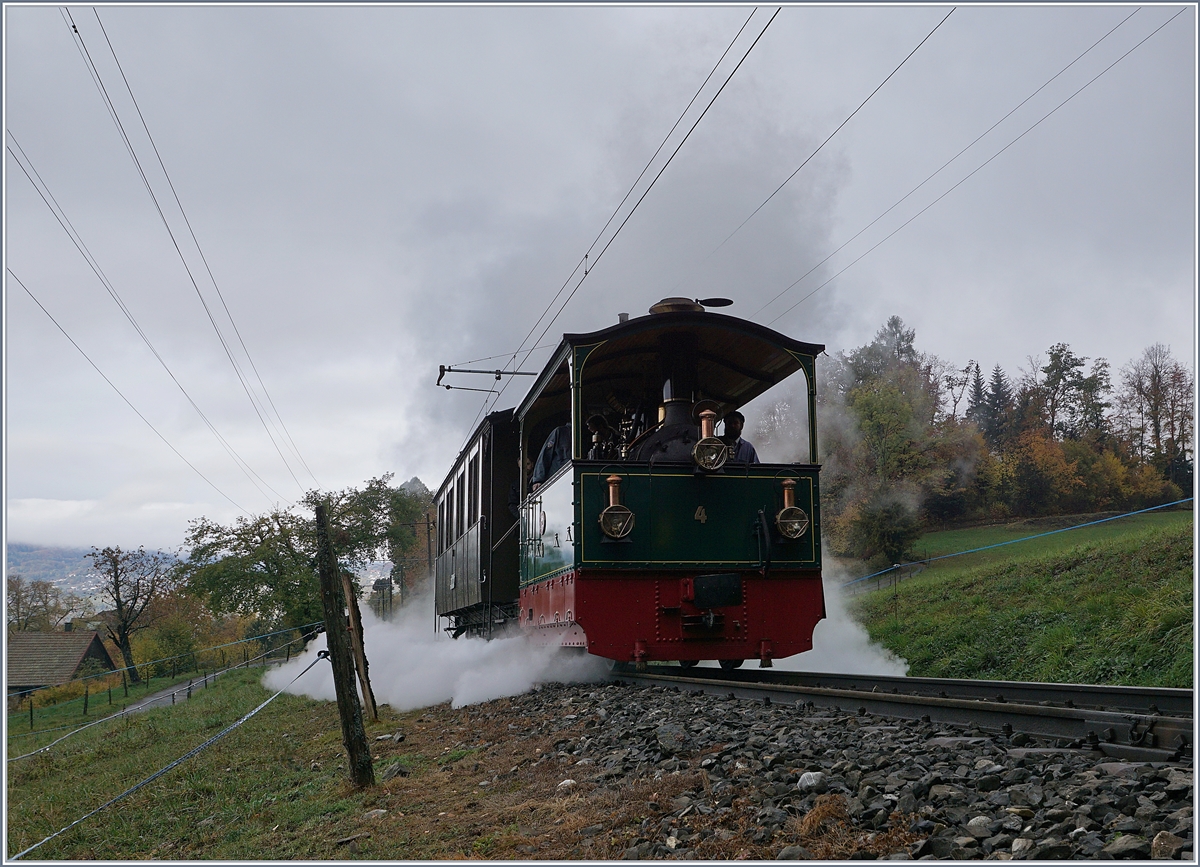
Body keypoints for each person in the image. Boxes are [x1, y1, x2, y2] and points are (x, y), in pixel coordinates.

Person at [531, 422, 571, 490]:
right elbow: (546, 454)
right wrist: (538, 479)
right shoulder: (559, 432)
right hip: (557, 481)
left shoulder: (586, 435)